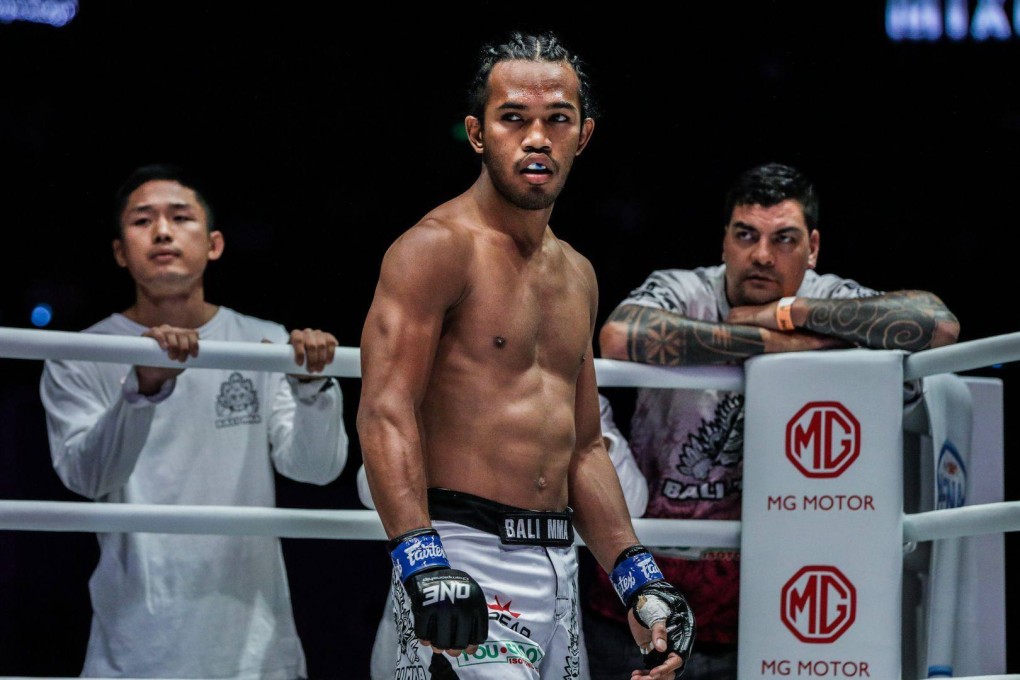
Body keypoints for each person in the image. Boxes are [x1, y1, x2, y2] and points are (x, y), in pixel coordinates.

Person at [356, 30, 695, 680]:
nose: (536, 138)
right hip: (460, 554)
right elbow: (384, 411)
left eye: (556, 119)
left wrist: (636, 577)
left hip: (558, 568)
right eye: (514, 118)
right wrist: (421, 560)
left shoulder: (578, 275)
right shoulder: (435, 249)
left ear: (583, 135)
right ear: (478, 134)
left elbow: (585, 448)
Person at [585, 161, 961, 679]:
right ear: (724, 243)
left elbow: (938, 326)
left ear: (813, 248)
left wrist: (786, 314)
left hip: (776, 606)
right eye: (746, 236)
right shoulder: (685, 289)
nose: (761, 256)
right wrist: (789, 346)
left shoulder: (825, 295)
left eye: (784, 239)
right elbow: (620, 335)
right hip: (646, 595)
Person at [39, 163, 349, 679]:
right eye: (142, 221)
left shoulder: (262, 342)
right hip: (136, 649)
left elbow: (315, 469)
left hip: (257, 648)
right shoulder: (79, 354)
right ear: (120, 251)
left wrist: (312, 385)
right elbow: (88, 478)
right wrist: (144, 388)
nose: (162, 231)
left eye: (180, 217)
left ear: (214, 244)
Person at [362, 393, 649, 680]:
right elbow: (374, 471)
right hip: (464, 565)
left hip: (556, 584)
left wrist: (644, 583)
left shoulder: (573, 385)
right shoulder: (442, 385)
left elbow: (610, 476)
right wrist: (425, 562)